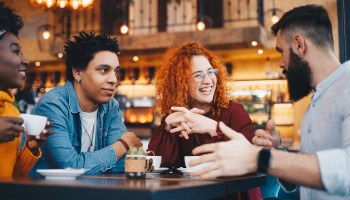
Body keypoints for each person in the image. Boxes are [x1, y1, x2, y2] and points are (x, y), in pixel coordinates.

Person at [190, 4, 350, 200]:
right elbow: (301, 183)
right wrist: (275, 151)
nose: (281, 63)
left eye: (281, 51)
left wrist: (259, 157)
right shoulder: (316, 102)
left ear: (299, 45)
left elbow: (345, 171)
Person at [147, 42, 261, 200]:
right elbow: (155, 165)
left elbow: (252, 158)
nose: (208, 81)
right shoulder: (178, 117)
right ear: (180, 83)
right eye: (198, 75)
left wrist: (213, 128)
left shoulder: (234, 111)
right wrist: (167, 128)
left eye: (210, 72)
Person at [30, 31, 142, 175]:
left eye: (116, 71)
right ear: (77, 72)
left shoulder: (110, 106)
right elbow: (69, 167)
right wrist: (124, 143)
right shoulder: (53, 104)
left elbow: (121, 165)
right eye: (104, 70)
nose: (114, 79)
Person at [0, 3, 52, 177]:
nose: (25, 60)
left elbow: (11, 179)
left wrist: (30, 147)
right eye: (16, 52)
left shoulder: (11, 110)